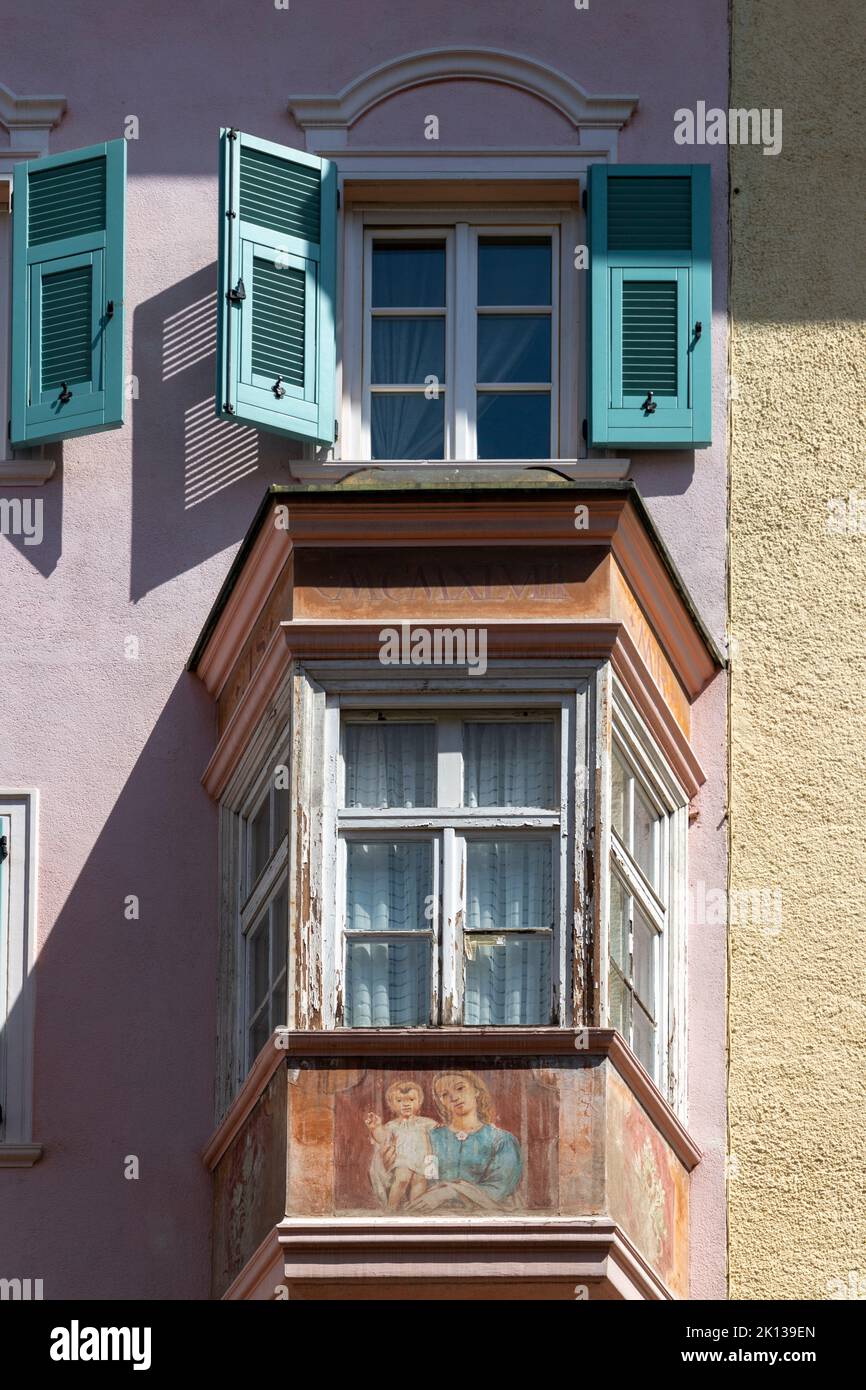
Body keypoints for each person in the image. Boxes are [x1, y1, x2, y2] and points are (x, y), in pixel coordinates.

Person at [373, 1070, 523, 1211]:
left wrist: (449, 1192)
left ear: (476, 1090)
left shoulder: (501, 1140)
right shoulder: (429, 1137)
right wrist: (385, 1164)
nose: (454, 1097)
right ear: (441, 1102)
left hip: (483, 1221)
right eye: (445, 1094)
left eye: (460, 1088)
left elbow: (500, 1188)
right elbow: (411, 1178)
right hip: (433, 1219)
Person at [365, 1080, 438, 1209]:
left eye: (411, 1099)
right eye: (399, 1101)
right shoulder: (392, 1125)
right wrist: (375, 1128)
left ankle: (414, 1211)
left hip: (423, 1159)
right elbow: (382, 1139)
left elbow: (439, 1135)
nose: (406, 1104)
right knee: (402, 1178)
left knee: (419, 1182)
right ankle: (391, 1209)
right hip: (403, 1159)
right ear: (391, 1105)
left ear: (419, 1101)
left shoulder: (426, 1123)